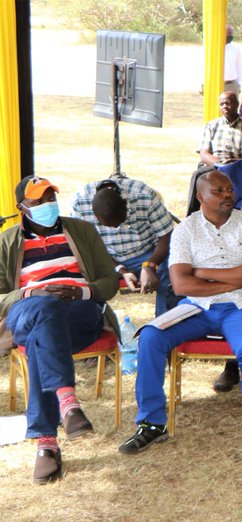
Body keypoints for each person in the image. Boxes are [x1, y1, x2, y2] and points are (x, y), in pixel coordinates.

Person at [121, 171, 242, 455]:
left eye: (229, 189)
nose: (227, 195)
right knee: (150, 337)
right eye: (218, 191)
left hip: (241, 305)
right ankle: (152, 422)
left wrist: (201, 273)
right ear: (200, 197)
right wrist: (234, 277)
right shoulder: (186, 229)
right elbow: (181, 284)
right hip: (195, 307)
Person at [2, 176, 119, 483]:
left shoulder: (81, 231)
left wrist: (81, 291)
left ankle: (46, 443)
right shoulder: (7, 241)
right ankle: (67, 402)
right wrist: (31, 292)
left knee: (43, 335)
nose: (47, 205)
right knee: (44, 309)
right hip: (28, 311)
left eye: (50, 198)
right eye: (38, 201)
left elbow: (109, 282)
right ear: (21, 207)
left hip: (79, 312)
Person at [70, 174, 172, 309]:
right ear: (94, 214)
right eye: (108, 225)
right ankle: (96, 318)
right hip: (104, 258)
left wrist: (150, 265)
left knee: (173, 267)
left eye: (119, 222)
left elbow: (167, 235)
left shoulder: (144, 195)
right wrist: (121, 270)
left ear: (125, 204)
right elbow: (85, 247)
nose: (115, 228)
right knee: (79, 275)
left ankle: (166, 319)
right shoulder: (79, 203)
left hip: (148, 253)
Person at [198, 91, 242, 166]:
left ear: (237, 104)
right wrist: (220, 165)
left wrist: (231, 166)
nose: (224, 106)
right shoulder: (211, 126)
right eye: (221, 104)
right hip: (215, 166)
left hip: (239, 167)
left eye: (227, 103)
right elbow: (204, 153)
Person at [223, 26, 242, 95]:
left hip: (231, 85)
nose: (229, 35)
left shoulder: (235, 48)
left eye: (230, 33)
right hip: (214, 85)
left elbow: (239, 66)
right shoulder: (212, 47)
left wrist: (239, 83)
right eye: (227, 33)